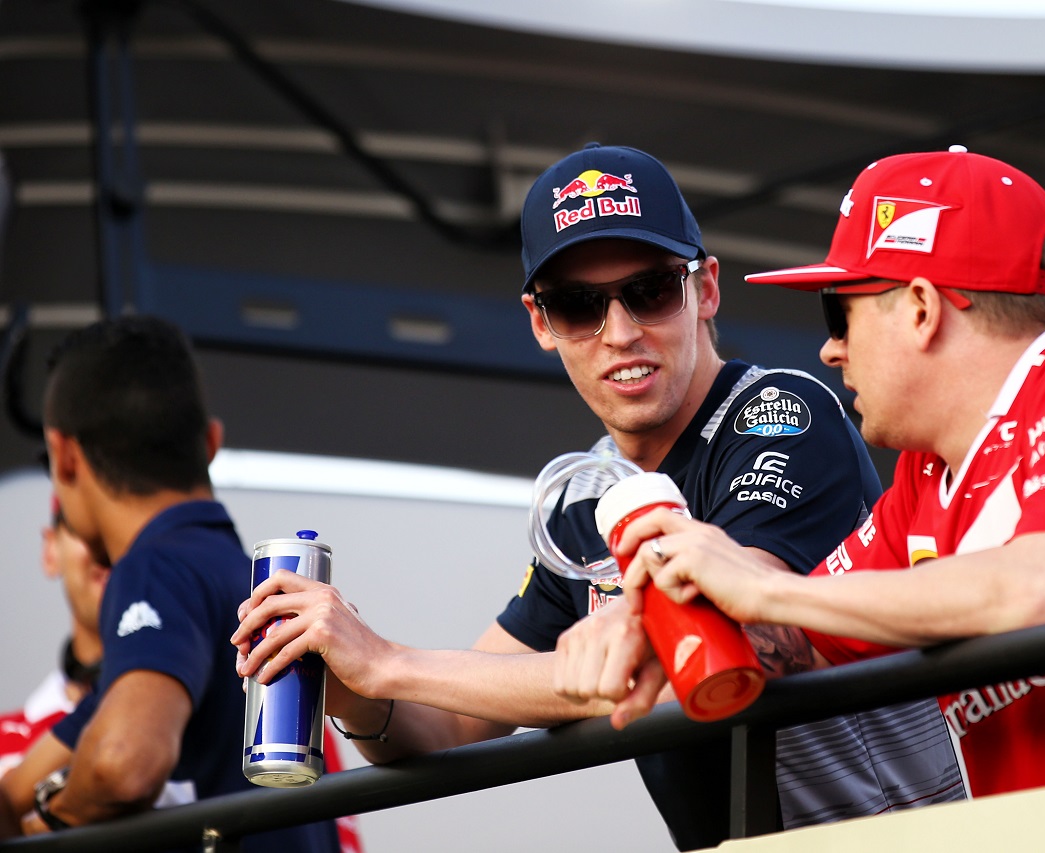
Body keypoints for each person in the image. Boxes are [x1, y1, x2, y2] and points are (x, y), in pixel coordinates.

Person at [233, 143, 964, 849]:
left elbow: (712, 649)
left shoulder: (781, 413)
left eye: (650, 291)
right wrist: (350, 677)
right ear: (540, 323)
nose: (620, 333)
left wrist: (390, 662)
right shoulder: (587, 493)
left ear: (706, 289)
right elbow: (451, 728)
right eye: (579, 306)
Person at [553, 145, 1045, 798]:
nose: (830, 351)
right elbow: (797, 639)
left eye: (839, 314)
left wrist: (762, 584)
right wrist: (643, 624)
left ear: (923, 308)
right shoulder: (925, 480)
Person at [0, 316, 342, 850]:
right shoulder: (244, 583)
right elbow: (16, 790)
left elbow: (123, 762)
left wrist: (46, 824)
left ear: (64, 455)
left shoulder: (155, 569)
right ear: (210, 443)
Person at [0, 497, 109, 781]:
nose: (108, 550)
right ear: (51, 550)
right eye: (89, 527)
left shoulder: (207, 729)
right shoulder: (5, 744)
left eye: (130, 531)